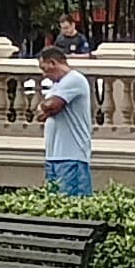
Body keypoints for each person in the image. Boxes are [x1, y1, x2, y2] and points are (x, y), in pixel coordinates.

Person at [37, 46, 97, 197]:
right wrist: (47, 108)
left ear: (53, 63)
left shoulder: (74, 80)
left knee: (72, 204)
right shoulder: (57, 85)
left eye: (45, 69)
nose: (44, 75)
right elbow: (40, 113)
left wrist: (47, 107)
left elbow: (51, 105)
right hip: (53, 156)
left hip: (72, 156)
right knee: (54, 205)